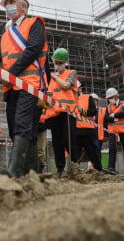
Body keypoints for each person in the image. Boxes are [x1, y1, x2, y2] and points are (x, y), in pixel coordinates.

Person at [0, 0, 48, 177]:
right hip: (11, 88)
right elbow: (0, 59)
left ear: (23, 6)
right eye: (6, 4)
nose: (8, 6)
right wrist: (1, 74)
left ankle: (15, 170)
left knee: (22, 124)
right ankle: (33, 172)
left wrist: (10, 73)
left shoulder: (34, 23)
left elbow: (34, 48)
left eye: (12, 2)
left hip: (30, 83)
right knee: (15, 128)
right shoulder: (5, 35)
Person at [45, 48, 78, 177]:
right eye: (56, 62)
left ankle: (74, 165)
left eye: (60, 62)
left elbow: (66, 86)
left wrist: (54, 77)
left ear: (65, 62)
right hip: (54, 114)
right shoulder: (51, 78)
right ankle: (60, 169)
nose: (57, 64)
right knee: (57, 143)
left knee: (68, 140)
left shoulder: (72, 73)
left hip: (68, 112)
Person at [75, 82, 102, 171]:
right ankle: (76, 170)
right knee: (76, 152)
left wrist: (82, 111)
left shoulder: (87, 97)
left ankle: (98, 169)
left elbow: (93, 111)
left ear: (80, 88)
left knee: (91, 150)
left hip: (87, 130)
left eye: (76, 88)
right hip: (75, 130)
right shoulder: (71, 99)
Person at [104, 87, 124, 173]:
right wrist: (112, 119)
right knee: (112, 149)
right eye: (108, 98)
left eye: (111, 98)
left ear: (116, 96)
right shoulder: (108, 107)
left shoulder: (123, 104)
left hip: (122, 130)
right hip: (112, 131)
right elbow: (105, 118)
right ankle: (111, 168)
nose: (109, 100)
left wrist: (114, 115)